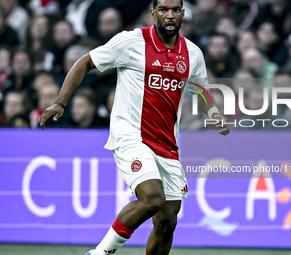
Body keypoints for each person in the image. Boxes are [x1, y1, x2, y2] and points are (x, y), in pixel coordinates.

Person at [40, 1, 229, 255]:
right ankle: (100, 252)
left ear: (183, 13)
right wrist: (61, 102)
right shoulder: (131, 41)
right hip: (131, 135)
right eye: (163, 9)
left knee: (167, 220)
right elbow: (86, 61)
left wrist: (214, 113)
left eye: (175, 10)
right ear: (153, 14)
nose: (169, 15)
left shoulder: (192, 53)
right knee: (152, 198)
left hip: (168, 144)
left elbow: (200, 89)